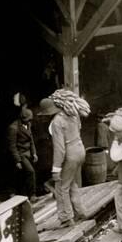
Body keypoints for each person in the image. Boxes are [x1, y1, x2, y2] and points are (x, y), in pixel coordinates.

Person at [38, 97, 85, 228]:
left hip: (70, 154)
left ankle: (66, 218)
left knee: (61, 186)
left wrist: (56, 169)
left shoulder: (56, 122)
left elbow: (60, 148)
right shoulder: (72, 114)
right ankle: (80, 211)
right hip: (80, 149)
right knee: (71, 183)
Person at [7, 108, 38, 201]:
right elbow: (12, 146)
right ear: (22, 118)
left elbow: (31, 140)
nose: (29, 121)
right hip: (21, 154)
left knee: (23, 174)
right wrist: (17, 161)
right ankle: (32, 194)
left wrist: (34, 153)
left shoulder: (28, 124)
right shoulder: (13, 128)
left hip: (28, 153)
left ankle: (19, 193)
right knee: (30, 172)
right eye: (28, 119)